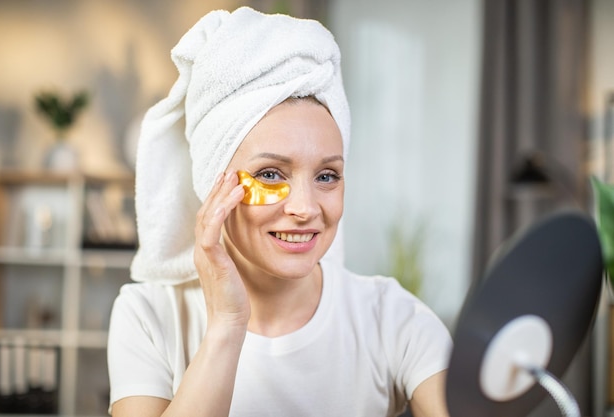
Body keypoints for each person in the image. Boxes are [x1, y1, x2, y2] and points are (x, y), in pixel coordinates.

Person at [107, 7, 452, 417]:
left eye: (327, 176)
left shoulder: (393, 319)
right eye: (270, 174)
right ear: (212, 185)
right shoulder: (149, 317)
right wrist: (226, 328)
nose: (306, 209)